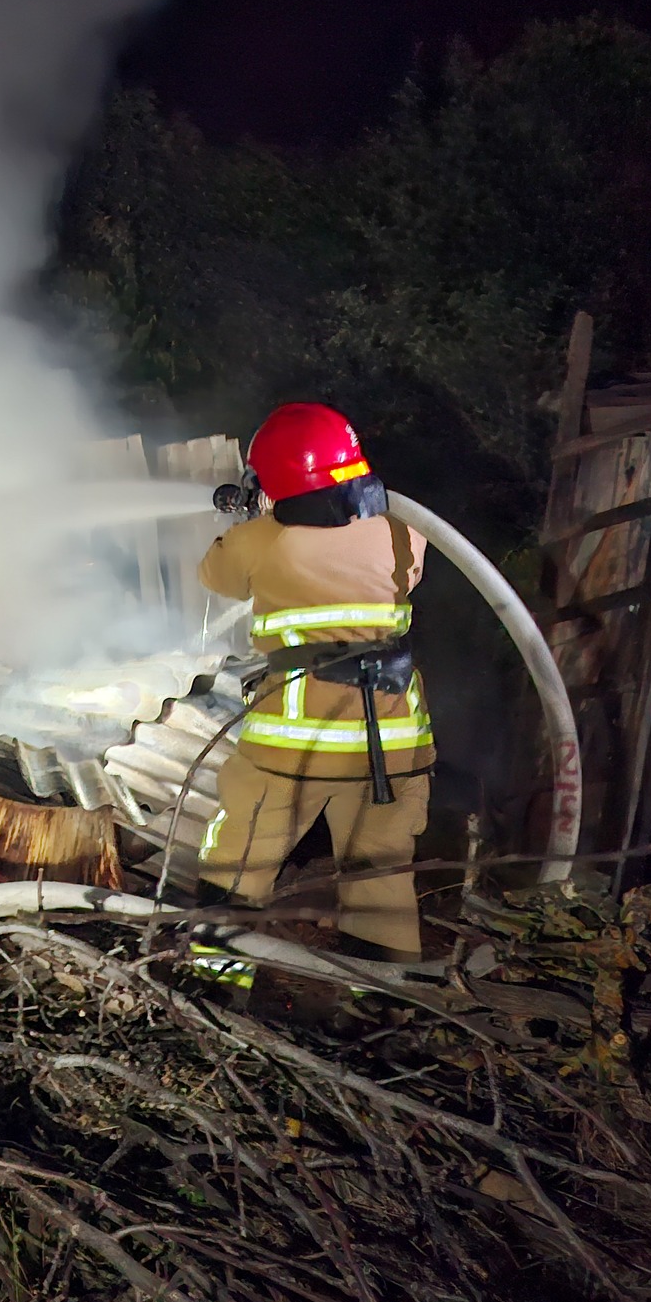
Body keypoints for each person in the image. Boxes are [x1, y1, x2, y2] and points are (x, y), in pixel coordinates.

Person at [196, 403, 433, 962]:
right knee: (381, 873)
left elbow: (217, 573)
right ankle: (381, 1006)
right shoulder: (404, 536)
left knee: (240, 855)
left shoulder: (260, 541)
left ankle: (213, 986)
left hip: (296, 740)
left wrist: (254, 517)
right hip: (390, 742)